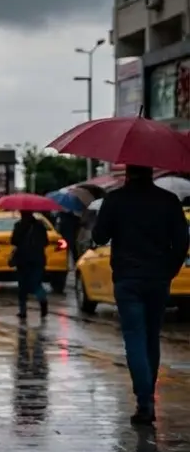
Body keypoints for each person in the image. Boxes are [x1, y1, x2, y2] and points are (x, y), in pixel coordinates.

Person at [91, 165, 189, 426]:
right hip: (158, 278)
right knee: (151, 337)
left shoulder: (116, 200)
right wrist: (170, 268)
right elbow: (182, 241)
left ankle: (144, 400)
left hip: (127, 277)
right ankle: (147, 398)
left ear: (127, 174)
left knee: (134, 336)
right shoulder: (168, 201)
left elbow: (99, 237)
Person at [9, 210, 50, 320]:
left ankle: (23, 311)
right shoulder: (40, 226)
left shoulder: (19, 225)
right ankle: (43, 303)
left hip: (22, 259)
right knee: (36, 283)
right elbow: (46, 242)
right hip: (38, 259)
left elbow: (13, 241)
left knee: (22, 285)